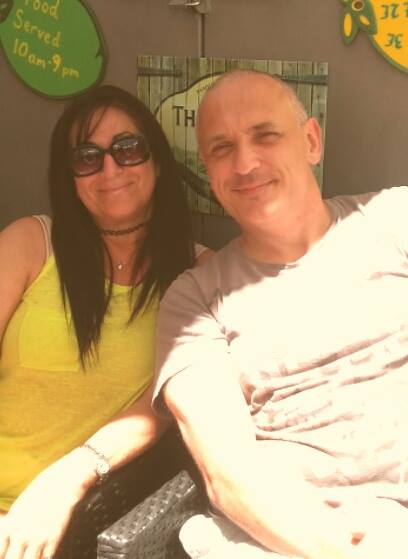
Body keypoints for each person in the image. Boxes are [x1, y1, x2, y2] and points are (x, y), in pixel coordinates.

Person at [153, 70, 408, 559]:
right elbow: (228, 474)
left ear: (311, 141)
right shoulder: (194, 301)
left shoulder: (394, 221)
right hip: (290, 540)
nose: (245, 163)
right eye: (222, 148)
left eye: (265, 135)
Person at [0, 85, 211, 559]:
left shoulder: (200, 275)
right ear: (70, 176)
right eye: (87, 157)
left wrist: (65, 479)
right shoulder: (30, 243)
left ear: (158, 161)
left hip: (73, 519)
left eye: (127, 148)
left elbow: (160, 406)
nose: (110, 169)